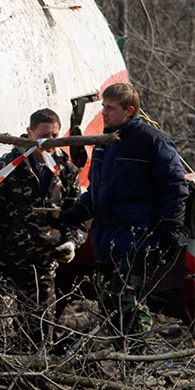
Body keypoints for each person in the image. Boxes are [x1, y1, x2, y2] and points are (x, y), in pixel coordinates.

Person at [60, 83, 188, 336]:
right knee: (111, 307)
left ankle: (138, 365)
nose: (104, 113)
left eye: (110, 108)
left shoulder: (151, 140)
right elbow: (98, 193)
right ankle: (125, 362)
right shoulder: (104, 143)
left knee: (128, 305)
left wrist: (169, 229)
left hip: (137, 239)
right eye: (103, 107)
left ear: (129, 111)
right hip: (106, 241)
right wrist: (73, 214)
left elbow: (175, 186)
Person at [0, 108, 87, 348]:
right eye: (44, 136)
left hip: (42, 267)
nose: (50, 142)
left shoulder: (67, 171)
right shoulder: (5, 167)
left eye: (55, 135)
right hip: (2, 264)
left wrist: (71, 242)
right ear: (30, 133)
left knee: (39, 336)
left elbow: (76, 216)